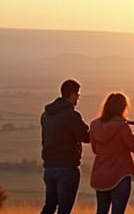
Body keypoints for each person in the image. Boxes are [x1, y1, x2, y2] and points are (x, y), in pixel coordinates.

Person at [90, 92, 134, 214]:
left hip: (100, 175)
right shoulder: (122, 128)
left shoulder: (94, 125)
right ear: (122, 108)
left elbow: (95, 150)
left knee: (101, 211)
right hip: (120, 176)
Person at [40, 78, 90, 214]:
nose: (78, 99)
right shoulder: (71, 115)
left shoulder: (46, 115)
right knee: (64, 209)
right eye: (78, 96)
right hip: (67, 167)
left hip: (49, 167)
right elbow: (86, 137)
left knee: (49, 206)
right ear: (73, 94)